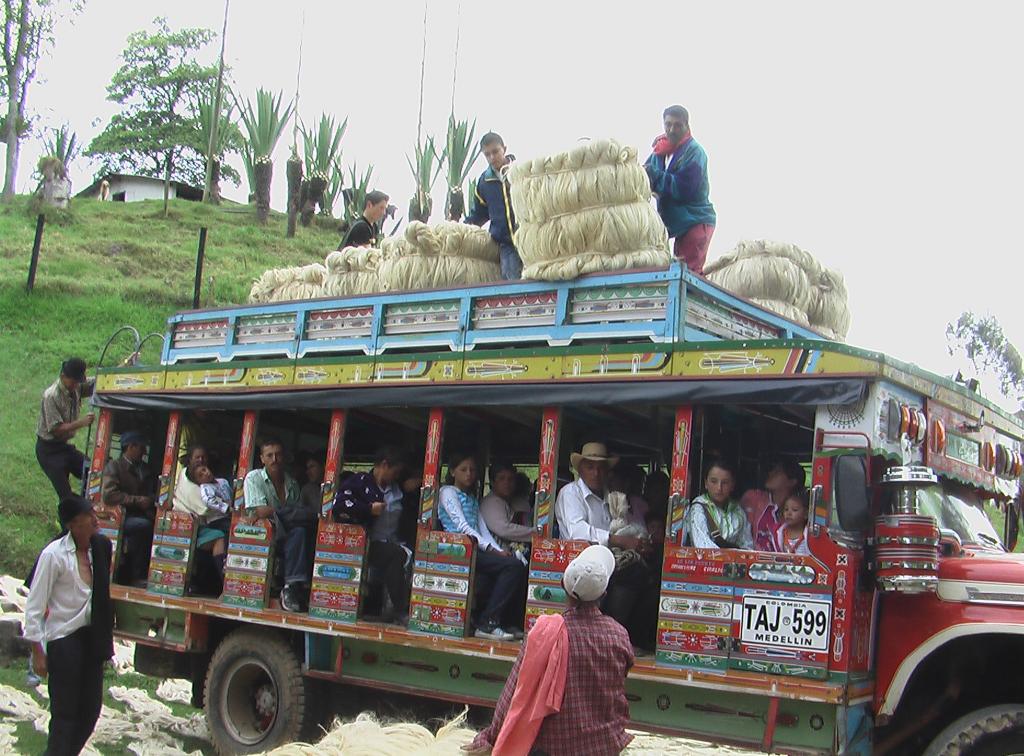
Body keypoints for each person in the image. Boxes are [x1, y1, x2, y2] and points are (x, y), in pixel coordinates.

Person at [464, 545, 634, 756]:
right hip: (604, 748)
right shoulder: (619, 635)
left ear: (562, 585)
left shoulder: (545, 633)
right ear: (604, 594)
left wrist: (490, 737)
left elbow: (515, 696)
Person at [25, 495, 114, 756]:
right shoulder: (54, 555)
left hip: (91, 638)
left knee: (90, 711)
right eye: (89, 516)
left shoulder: (100, 547)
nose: (95, 519)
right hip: (65, 639)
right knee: (65, 714)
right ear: (75, 524)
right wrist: (37, 651)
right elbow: (35, 604)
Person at [554, 442, 658, 650]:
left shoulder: (610, 496)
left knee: (650, 576)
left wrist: (637, 542)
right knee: (632, 573)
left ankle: (629, 636)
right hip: (580, 560)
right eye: (590, 467)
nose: (596, 472)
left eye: (601, 468)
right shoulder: (570, 493)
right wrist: (617, 540)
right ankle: (610, 637)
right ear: (580, 468)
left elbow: (622, 525)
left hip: (606, 559)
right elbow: (577, 531)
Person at [439, 452, 527, 641]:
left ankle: (501, 620)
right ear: (453, 472)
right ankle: (487, 622)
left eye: (472, 470)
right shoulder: (447, 492)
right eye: (463, 469)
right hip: (458, 549)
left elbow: (482, 528)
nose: (469, 474)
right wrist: (490, 549)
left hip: (475, 547)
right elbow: (463, 526)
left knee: (513, 563)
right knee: (512, 566)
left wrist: (497, 550)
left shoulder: (472, 497)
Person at [333, 446, 411, 623]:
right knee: (395, 555)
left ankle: (386, 609)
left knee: (405, 554)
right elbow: (340, 505)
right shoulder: (359, 481)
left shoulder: (396, 489)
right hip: (364, 542)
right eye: (395, 472)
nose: (396, 477)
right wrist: (368, 509)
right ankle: (400, 610)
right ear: (384, 465)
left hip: (392, 540)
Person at [643, 105, 716, 274]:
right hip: (673, 223)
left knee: (688, 272)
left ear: (687, 126)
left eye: (677, 125)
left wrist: (656, 176)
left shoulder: (695, 152)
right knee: (668, 267)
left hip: (695, 220)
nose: (672, 129)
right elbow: (645, 176)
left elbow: (685, 189)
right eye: (668, 124)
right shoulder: (659, 153)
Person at [243, 438, 311, 613]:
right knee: (295, 520)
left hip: (285, 532)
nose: (275, 459)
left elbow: (290, 514)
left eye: (278, 455)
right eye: (270, 455)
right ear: (262, 459)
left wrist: (278, 512)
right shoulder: (254, 477)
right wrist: (283, 512)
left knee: (301, 532)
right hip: (260, 534)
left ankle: (291, 587)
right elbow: (260, 511)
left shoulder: (291, 482)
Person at [36, 358, 95, 505]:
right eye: (74, 381)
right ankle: (70, 524)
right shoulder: (51, 396)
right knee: (66, 495)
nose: (76, 385)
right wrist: (81, 423)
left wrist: (123, 366)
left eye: (78, 382)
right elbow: (56, 429)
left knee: (92, 473)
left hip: (63, 447)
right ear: (63, 376)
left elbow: (98, 383)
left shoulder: (75, 387)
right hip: (49, 451)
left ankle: (84, 506)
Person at [100, 430, 155, 584]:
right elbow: (109, 495)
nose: (144, 452)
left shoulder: (145, 469)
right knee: (143, 527)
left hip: (142, 513)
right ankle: (136, 575)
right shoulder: (114, 467)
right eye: (141, 448)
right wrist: (137, 500)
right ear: (130, 447)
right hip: (122, 516)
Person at [465, 132, 522, 280]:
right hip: (506, 244)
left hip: (527, 236)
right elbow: (480, 213)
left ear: (504, 148)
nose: (492, 157)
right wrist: (461, 228)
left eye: (495, 152)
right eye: (487, 154)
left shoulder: (521, 172)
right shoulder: (484, 182)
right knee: (511, 281)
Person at [685, 459, 754, 549]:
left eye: (725, 483)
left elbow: (747, 546)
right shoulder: (699, 508)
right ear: (706, 483)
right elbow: (702, 546)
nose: (719, 488)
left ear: (732, 485)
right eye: (714, 481)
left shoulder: (738, 511)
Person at [742, 459, 806, 552]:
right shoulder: (754, 498)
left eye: (777, 472)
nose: (771, 473)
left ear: (791, 481)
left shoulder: (798, 513)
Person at [481, 461, 536, 560]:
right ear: (493, 482)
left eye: (510, 479)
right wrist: (536, 534)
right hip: (496, 555)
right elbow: (504, 529)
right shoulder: (491, 502)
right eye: (501, 478)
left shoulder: (509, 501)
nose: (507, 483)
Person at [773, 489, 811, 555]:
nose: (789, 513)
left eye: (794, 510)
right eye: (786, 509)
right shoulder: (779, 532)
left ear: (806, 514)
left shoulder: (810, 534)